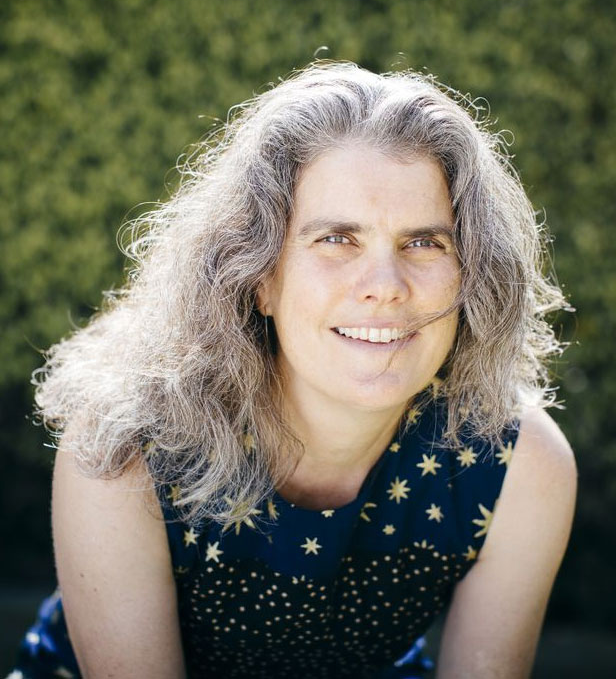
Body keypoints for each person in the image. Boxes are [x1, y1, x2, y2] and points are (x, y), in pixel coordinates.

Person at [11, 61, 576, 679]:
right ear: (257, 277)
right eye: (337, 239)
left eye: (423, 242)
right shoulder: (124, 446)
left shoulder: (516, 463)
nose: (386, 286)